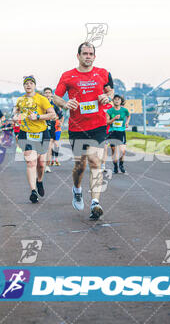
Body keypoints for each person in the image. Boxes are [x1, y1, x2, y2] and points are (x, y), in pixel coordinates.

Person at [53, 42, 114, 220]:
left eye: (91, 54)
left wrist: (106, 96)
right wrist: (65, 104)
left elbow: (111, 91)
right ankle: (77, 190)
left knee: (96, 161)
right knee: (80, 166)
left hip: (98, 125)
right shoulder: (68, 76)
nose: (88, 56)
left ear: (94, 56)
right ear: (78, 56)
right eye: (85, 53)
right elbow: (56, 96)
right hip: (77, 127)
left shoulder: (103, 73)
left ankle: (95, 202)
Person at [13, 76, 57, 203]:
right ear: (23, 86)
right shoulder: (20, 100)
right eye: (26, 83)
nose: (28, 85)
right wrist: (15, 117)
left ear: (35, 86)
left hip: (42, 133)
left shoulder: (41, 99)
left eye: (31, 83)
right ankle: (33, 191)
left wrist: (38, 116)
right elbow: (15, 112)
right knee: (31, 162)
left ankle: (39, 181)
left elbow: (52, 114)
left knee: (41, 163)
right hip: (25, 133)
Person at [106, 95, 130, 174]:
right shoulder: (109, 111)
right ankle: (115, 166)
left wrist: (127, 122)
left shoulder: (124, 110)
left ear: (121, 101)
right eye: (115, 99)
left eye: (118, 99)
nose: (116, 101)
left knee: (122, 151)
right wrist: (114, 119)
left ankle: (121, 165)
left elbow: (129, 115)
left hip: (121, 132)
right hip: (112, 132)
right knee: (114, 151)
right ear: (113, 101)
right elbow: (107, 122)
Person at [42, 87, 64, 171]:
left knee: (49, 146)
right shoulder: (40, 104)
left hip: (51, 127)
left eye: (49, 93)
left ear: (51, 94)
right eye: (46, 93)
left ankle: (46, 166)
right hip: (41, 127)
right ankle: (41, 162)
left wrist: (60, 124)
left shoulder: (54, 105)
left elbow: (61, 116)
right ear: (44, 94)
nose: (47, 94)